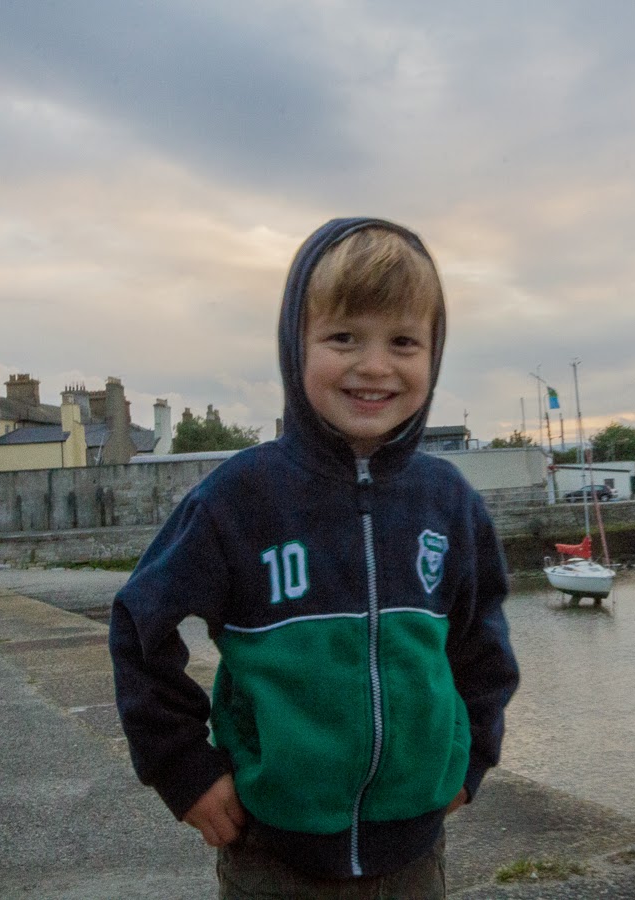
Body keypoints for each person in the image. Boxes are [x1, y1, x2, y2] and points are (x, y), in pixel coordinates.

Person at [109, 217, 520, 898]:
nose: (375, 365)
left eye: (403, 342)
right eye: (343, 338)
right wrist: (184, 769)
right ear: (293, 347)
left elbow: (484, 646)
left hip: (414, 855)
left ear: (434, 355)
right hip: (271, 853)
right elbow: (139, 626)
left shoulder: (449, 502)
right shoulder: (237, 499)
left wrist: (471, 760)